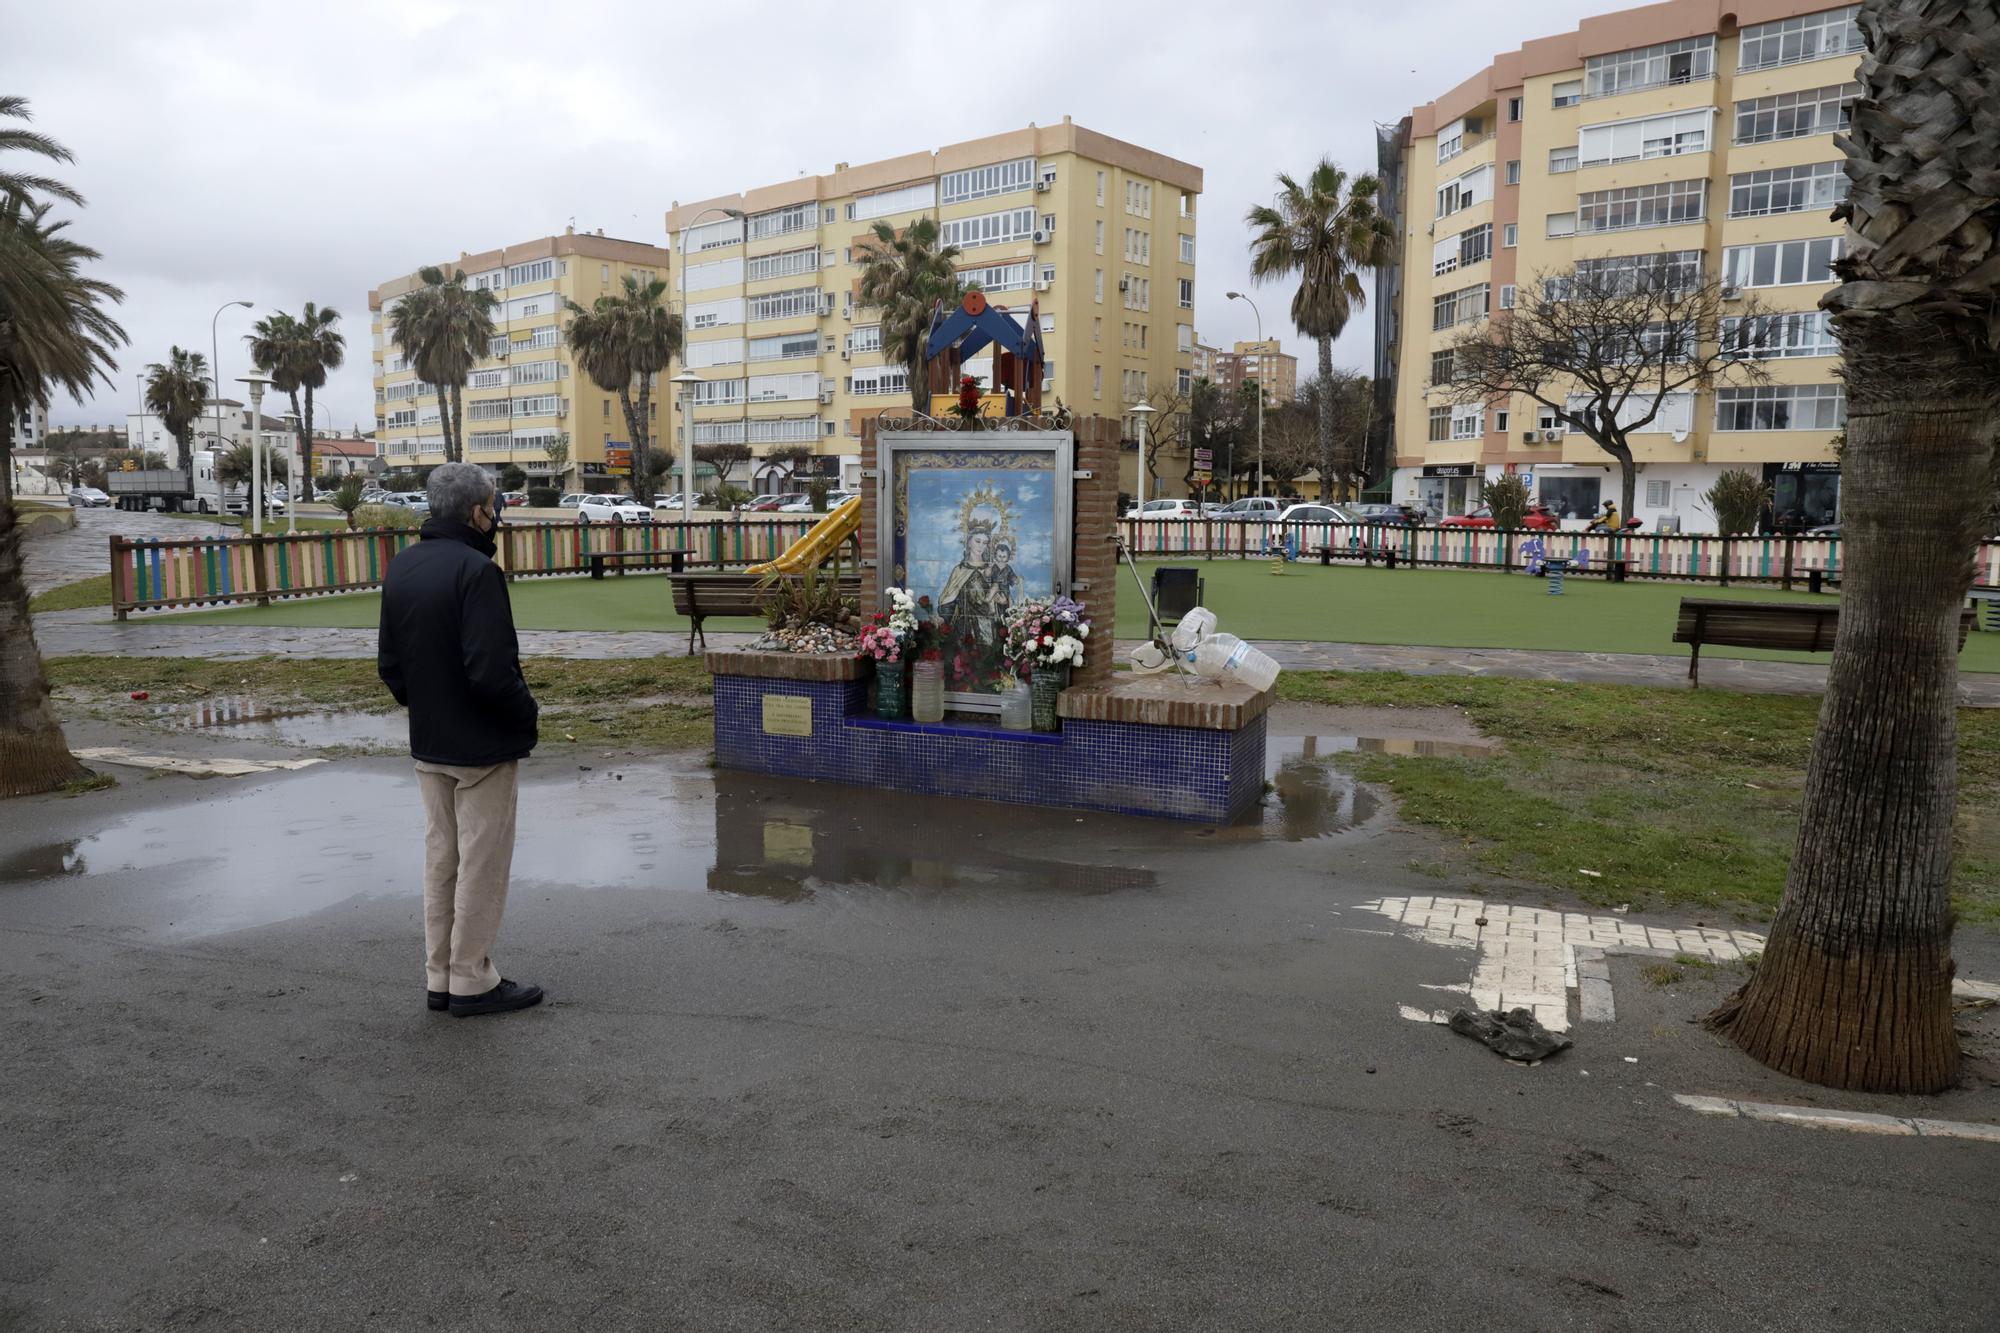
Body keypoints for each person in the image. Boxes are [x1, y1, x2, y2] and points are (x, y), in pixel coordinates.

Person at [378, 463, 543, 1018]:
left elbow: (391, 666)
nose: (495, 514)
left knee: (441, 860)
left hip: (429, 743)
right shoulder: (477, 571)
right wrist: (527, 715)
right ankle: (471, 979)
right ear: (478, 511)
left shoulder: (403, 566)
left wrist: (427, 707)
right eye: (493, 505)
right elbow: (491, 671)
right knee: (481, 862)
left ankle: (440, 975)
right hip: (482, 747)